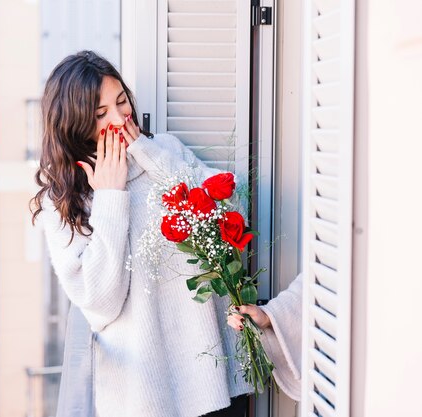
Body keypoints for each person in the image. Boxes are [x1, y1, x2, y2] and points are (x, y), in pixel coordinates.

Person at [31, 50, 301, 417]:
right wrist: (111, 196)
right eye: (100, 114)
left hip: (215, 379)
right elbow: (100, 303)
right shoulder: (63, 202)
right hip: (148, 397)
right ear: (75, 125)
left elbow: (231, 207)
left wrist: (147, 152)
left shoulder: (164, 151)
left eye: (122, 101)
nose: (119, 116)